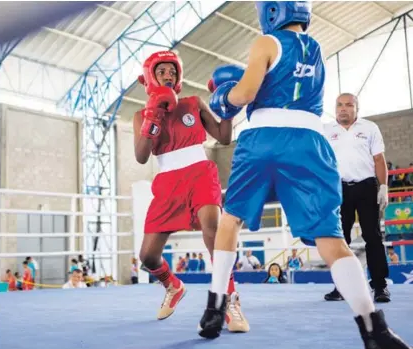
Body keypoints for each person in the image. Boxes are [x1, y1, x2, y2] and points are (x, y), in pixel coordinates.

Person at [197, 2, 412, 348]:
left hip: (265, 139)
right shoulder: (317, 50)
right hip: (312, 144)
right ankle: (374, 328)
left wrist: (224, 98)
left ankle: (215, 307)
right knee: (332, 238)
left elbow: (246, 94)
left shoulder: (266, 43)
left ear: (270, 11)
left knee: (230, 219)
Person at [133, 50, 249, 332]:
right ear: (150, 77)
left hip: (199, 172)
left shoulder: (193, 103)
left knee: (212, 224)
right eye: (161, 72)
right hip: (167, 182)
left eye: (172, 71)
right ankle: (172, 286)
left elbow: (223, 137)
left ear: (179, 76)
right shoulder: (140, 115)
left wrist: (229, 106)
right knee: (148, 256)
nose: (168, 75)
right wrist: (153, 117)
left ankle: (229, 298)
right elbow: (140, 156)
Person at [324, 93, 391, 303]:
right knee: (339, 239)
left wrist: (383, 188)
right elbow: (320, 161)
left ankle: (380, 286)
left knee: (372, 236)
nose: (343, 108)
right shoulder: (326, 131)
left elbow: (379, 159)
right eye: (339, 105)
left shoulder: (369, 128)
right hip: (338, 189)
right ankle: (341, 286)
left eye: (348, 105)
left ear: (357, 108)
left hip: (366, 187)